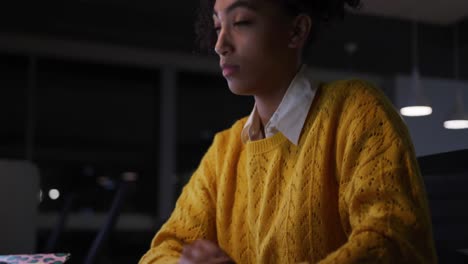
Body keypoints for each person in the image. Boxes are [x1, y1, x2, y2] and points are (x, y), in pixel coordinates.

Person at [140, 0, 438, 262]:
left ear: (296, 31)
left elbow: (391, 238)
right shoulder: (224, 152)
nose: (220, 44)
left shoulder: (355, 111)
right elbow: (162, 251)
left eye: (241, 21)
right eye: (218, 26)